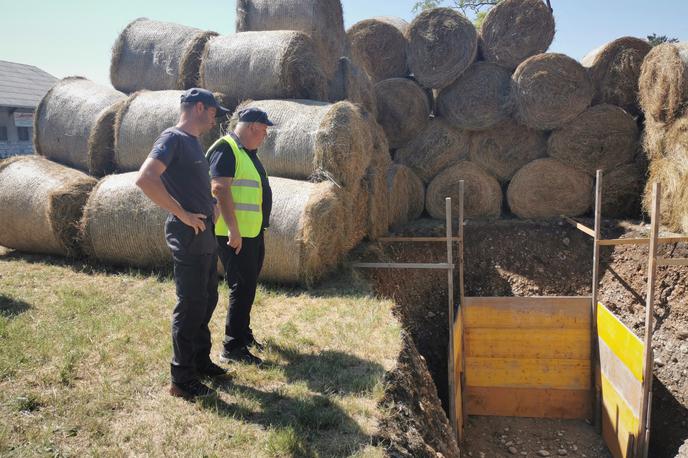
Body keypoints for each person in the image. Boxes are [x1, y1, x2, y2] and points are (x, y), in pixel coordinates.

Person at [135, 88, 230, 399]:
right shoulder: (172, 138)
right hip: (188, 235)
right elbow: (146, 178)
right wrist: (183, 214)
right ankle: (181, 378)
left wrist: (210, 206)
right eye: (214, 110)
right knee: (189, 306)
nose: (216, 117)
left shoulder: (193, 143)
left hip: (204, 235)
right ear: (199, 107)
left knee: (206, 300)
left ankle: (200, 362)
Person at [206, 108, 273, 365]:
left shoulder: (247, 153)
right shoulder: (227, 148)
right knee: (241, 286)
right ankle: (232, 347)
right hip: (233, 233)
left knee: (248, 285)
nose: (265, 136)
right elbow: (219, 188)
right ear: (253, 127)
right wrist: (234, 229)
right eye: (264, 130)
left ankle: (243, 335)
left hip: (251, 232)